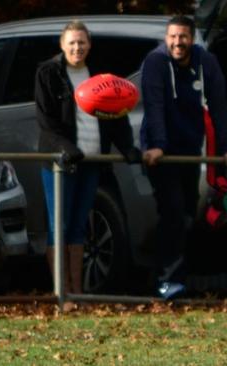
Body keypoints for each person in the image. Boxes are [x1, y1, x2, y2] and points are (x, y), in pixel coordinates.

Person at [35, 20, 140, 296]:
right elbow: (46, 122)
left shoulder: (100, 75)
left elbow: (117, 116)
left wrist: (127, 147)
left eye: (82, 42)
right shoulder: (48, 73)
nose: (77, 47)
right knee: (60, 225)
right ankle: (62, 294)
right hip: (61, 163)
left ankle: (77, 293)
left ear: (89, 45)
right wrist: (65, 147)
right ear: (62, 45)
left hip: (92, 162)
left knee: (80, 225)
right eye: (71, 42)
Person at [140, 15, 227, 299]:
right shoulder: (155, 62)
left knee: (186, 212)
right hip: (161, 151)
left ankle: (175, 278)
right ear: (166, 38)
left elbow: (219, 106)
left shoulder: (205, 61)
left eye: (183, 37)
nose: (177, 43)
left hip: (189, 147)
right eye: (172, 37)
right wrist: (158, 144)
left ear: (191, 39)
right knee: (172, 209)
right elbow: (154, 105)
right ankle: (165, 281)